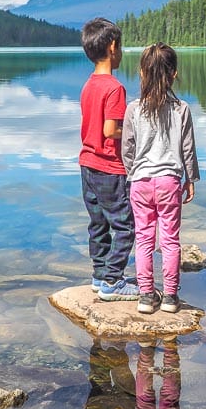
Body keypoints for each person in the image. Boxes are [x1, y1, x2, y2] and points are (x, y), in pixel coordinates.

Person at [122, 42, 199, 314]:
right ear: (174, 74)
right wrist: (190, 179)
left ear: (142, 73)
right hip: (169, 182)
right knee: (170, 240)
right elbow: (187, 149)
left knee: (143, 239)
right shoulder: (181, 109)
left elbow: (127, 149)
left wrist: (132, 173)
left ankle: (145, 296)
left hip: (140, 182)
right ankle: (169, 297)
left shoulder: (133, 109)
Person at [79, 17, 139, 301]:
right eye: (122, 46)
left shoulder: (89, 84)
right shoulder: (115, 88)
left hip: (87, 164)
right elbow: (110, 130)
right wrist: (135, 130)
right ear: (113, 47)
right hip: (109, 168)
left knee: (98, 223)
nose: (122, 52)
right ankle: (113, 282)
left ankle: (100, 273)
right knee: (126, 226)